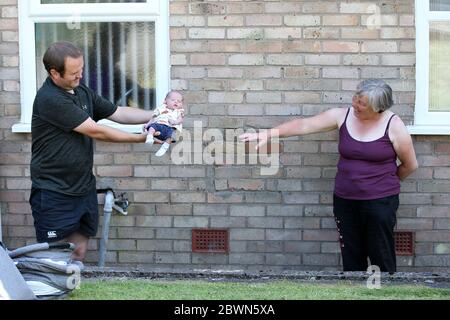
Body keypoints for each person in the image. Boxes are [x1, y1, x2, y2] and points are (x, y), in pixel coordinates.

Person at [240, 79, 418, 273]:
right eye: (356, 99)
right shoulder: (342, 115)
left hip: (381, 201)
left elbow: (410, 165)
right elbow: (304, 125)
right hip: (345, 200)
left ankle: (385, 292)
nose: (355, 105)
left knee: (380, 252)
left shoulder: (394, 125)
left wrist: (383, 185)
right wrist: (268, 134)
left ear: (378, 108)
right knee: (351, 252)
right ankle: (354, 291)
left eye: (362, 104)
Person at [30, 41, 157, 261]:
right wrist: (142, 138)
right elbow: (97, 131)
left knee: (79, 251)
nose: (80, 76)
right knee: (54, 257)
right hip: (54, 192)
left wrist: (157, 114)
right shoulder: (49, 99)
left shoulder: (80, 91)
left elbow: (118, 113)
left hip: (83, 187)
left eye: (81, 70)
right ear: (54, 73)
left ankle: (73, 289)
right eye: (74, 73)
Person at [144, 90, 185, 157]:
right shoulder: (161, 108)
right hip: (159, 124)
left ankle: (164, 147)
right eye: (173, 100)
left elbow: (180, 120)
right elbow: (153, 117)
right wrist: (148, 124)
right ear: (166, 101)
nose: (176, 102)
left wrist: (175, 122)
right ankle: (150, 137)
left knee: (171, 136)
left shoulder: (179, 111)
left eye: (179, 101)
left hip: (170, 128)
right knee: (152, 127)